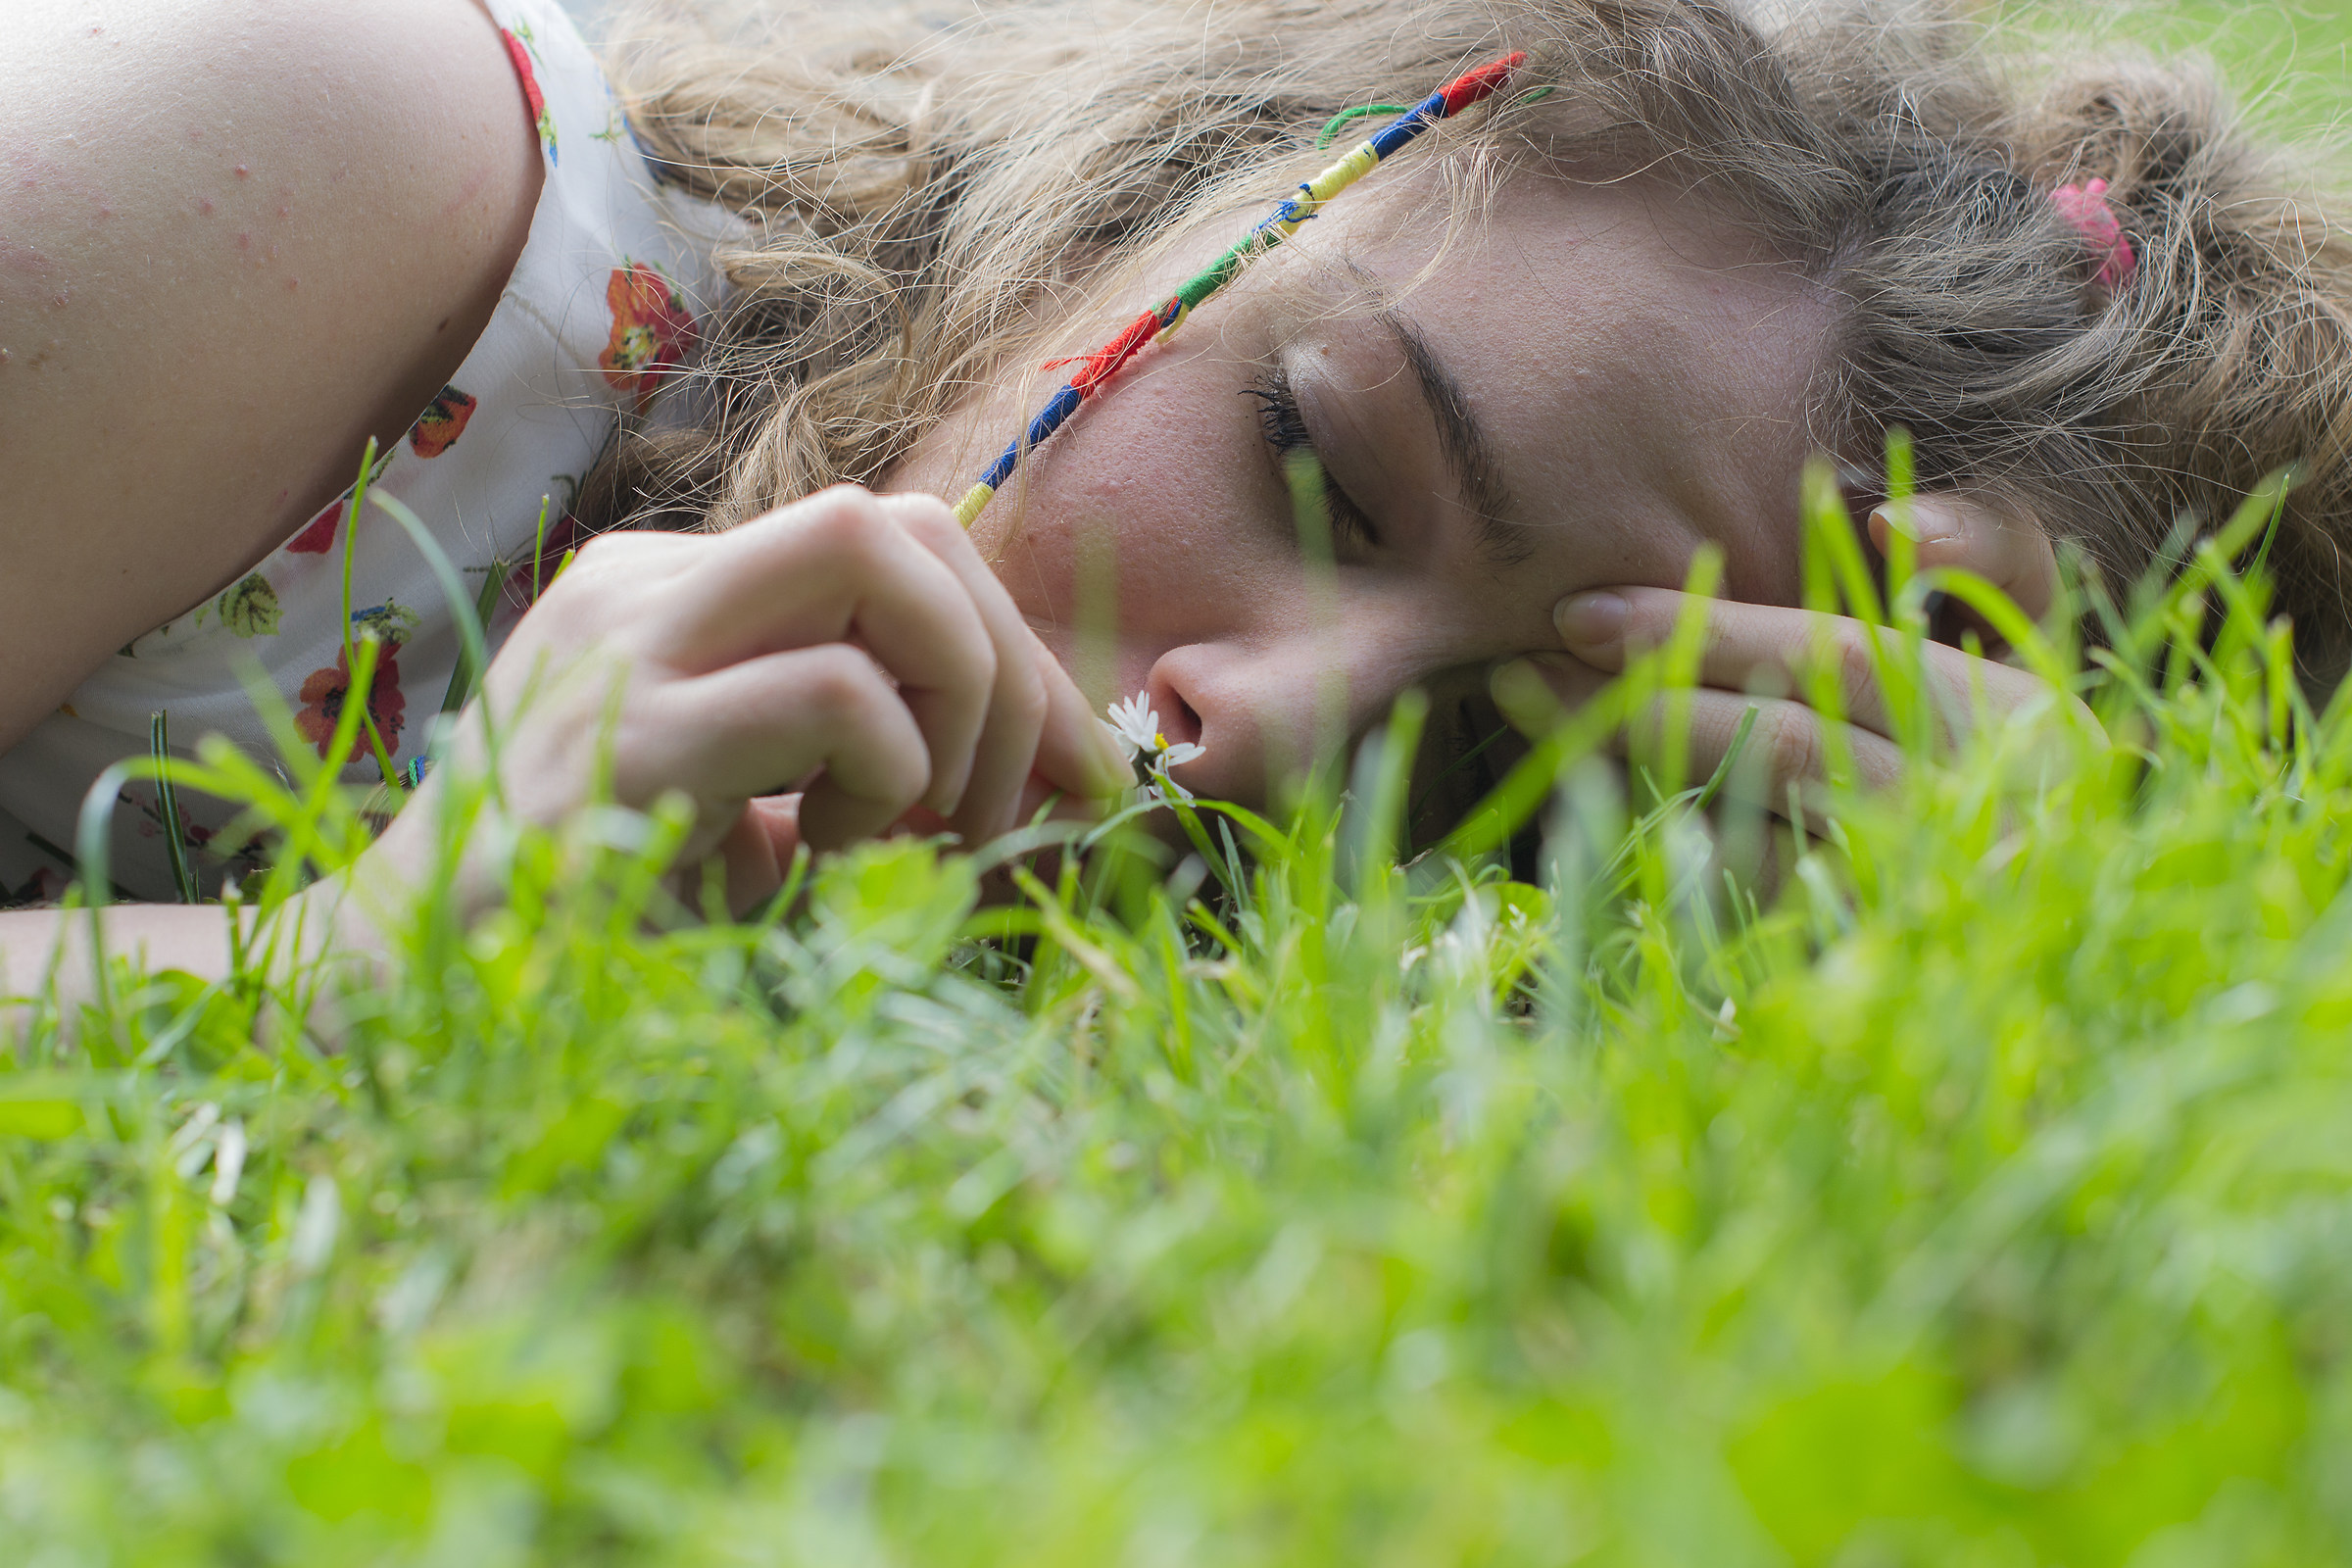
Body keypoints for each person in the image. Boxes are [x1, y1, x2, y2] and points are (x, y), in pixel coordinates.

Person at [2, 0, 2347, 1004]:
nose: (1247, 735)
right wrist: (341, 965)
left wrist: (2005, 962)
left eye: (1489, 788)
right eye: (1321, 464)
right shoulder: (320, 165)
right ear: (1202, 174)